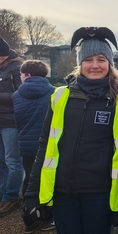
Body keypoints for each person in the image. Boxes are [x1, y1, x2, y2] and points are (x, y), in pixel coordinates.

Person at [22, 27, 118, 234]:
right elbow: (45, 145)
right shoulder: (60, 96)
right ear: (80, 63)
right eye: (88, 60)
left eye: (101, 59)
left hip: (100, 194)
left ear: (109, 63)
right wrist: (32, 194)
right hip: (62, 193)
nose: (94, 65)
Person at [13, 60, 55, 232]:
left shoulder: (16, 95)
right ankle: (46, 218)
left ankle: (29, 219)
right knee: (48, 180)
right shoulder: (54, 93)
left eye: (21, 75)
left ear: (28, 75)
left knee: (30, 179)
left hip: (26, 145)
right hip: (48, 146)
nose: (20, 78)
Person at [0, 36, 24, 217]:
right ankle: (2, 194)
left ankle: (11, 197)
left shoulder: (17, 68)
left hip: (11, 122)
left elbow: (21, 95)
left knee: (13, 161)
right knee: (2, 162)